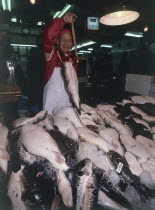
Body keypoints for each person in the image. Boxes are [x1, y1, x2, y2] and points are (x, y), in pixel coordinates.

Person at [42, 12, 78, 115]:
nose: (66, 43)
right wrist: (63, 21)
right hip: (50, 105)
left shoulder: (74, 60)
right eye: (63, 39)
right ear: (58, 41)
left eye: (69, 40)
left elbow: (74, 86)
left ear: (72, 43)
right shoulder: (51, 54)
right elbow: (48, 38)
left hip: (66, 104)